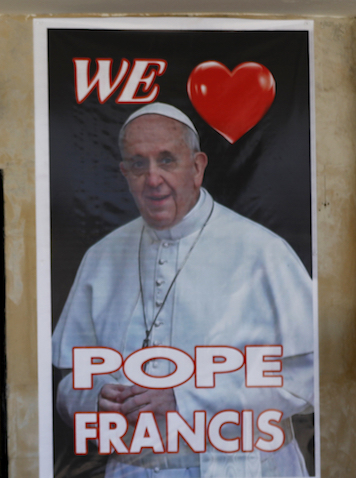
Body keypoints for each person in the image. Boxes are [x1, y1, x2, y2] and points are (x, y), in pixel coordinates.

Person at [51, 103, 314, 477]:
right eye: (138, 164)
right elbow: (68, 379)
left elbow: (306, 379)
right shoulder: (102, 258)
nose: (153, 178)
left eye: (167, 160)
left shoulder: (260, 251)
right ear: (124, 173)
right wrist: (95, 399)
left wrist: (185, 398)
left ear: (197, 167)